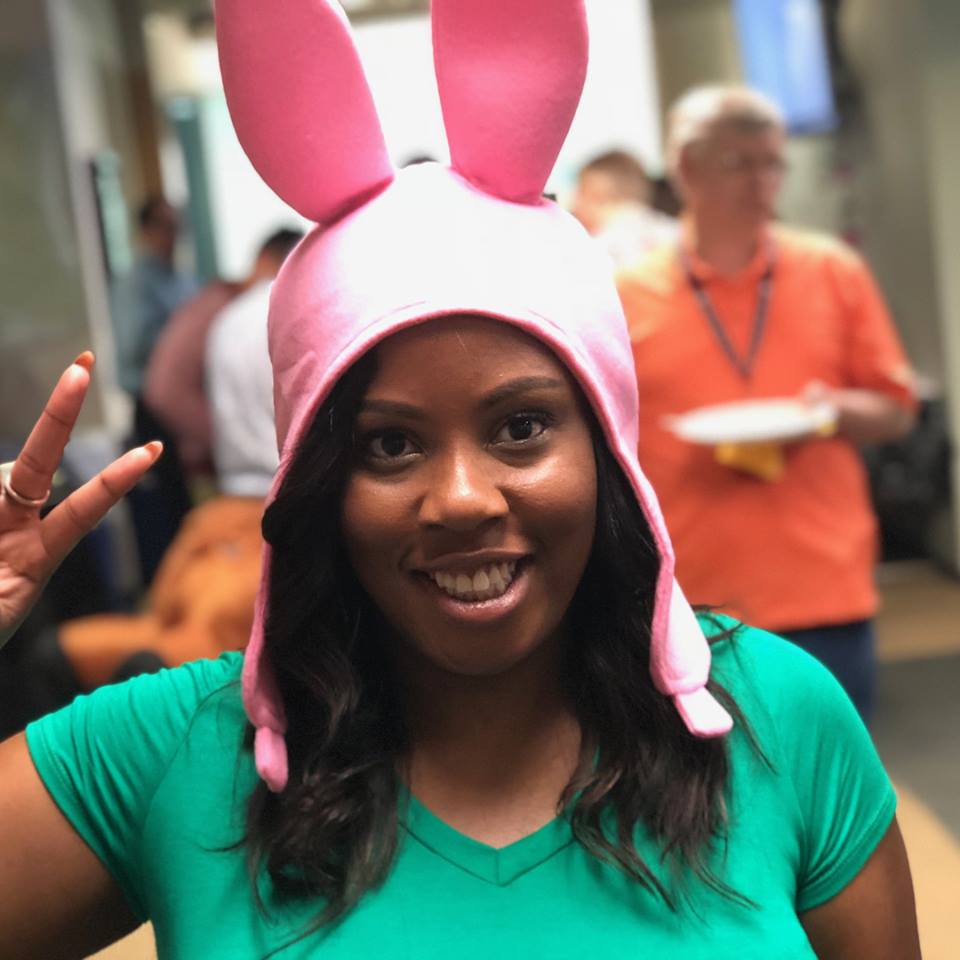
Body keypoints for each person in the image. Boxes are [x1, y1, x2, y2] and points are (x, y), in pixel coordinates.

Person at [0, 4, 919, 958]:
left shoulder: (776, 724)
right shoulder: (180, 753)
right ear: (316, 482)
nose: (465, 498)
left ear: (606, 445)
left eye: (522, 429)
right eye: (388, 447)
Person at [617, 86, 917, 723]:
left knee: (836, 799)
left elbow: (896, 410)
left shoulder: (832, 271)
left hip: (825, 588)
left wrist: (832, 408)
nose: (762, 184)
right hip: (691, 604)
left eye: (772, 163)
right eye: (739, 164)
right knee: (712, 807)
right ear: (687, 169)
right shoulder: (627, 294)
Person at [144, 228, 304, 487]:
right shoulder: (224, 309)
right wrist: (226, 438)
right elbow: (164, 390)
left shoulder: (229, 311)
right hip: (201, 457)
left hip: (237, 475)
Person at [205, 229, 304, 497]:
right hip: (290, 488)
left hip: (235, 490)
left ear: (262, 258)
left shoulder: (227, 318)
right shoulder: (295, 311)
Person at [112, 196, 198, 399]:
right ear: (146, 231)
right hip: (150, 396)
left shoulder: (184, 279)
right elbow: (135, 345)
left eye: (176, 227)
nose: (172, 235)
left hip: (181, 394)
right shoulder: (134, 284)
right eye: (165, 226)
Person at [569, 149, 678, 269]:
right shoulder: (678, 236)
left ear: (596, 194)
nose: (573, 204)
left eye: (579, 192)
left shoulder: (592, 252)